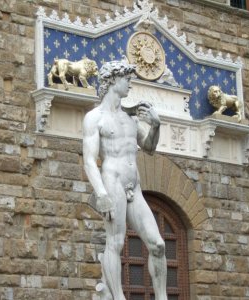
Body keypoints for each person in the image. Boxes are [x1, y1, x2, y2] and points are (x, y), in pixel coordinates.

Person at [83, 59, 168, 300]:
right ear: (112, 80)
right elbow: (89, 160)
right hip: (113, 183)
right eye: (127, 79)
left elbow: (149, 147)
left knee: (158, 245)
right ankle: (118, 297)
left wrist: (156, 125)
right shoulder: (94, 117)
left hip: (135, 187)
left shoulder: (131, 118)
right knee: (115, 243)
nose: (130, 84)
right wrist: (101, 194)